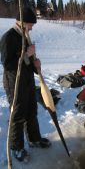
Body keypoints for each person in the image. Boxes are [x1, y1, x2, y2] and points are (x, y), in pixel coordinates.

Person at [0, 8, 51, 162]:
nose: (32, 27)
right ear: (22, 22)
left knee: (32, 111)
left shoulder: (25, 36)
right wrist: (26, 55)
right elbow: (7, 64)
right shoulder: (9, 37)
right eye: (30, 24)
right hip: (14, 81)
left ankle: (34, 139)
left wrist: (36, 65)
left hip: (27, 80)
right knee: (18, 115)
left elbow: (27, 62)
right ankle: (16, 147)